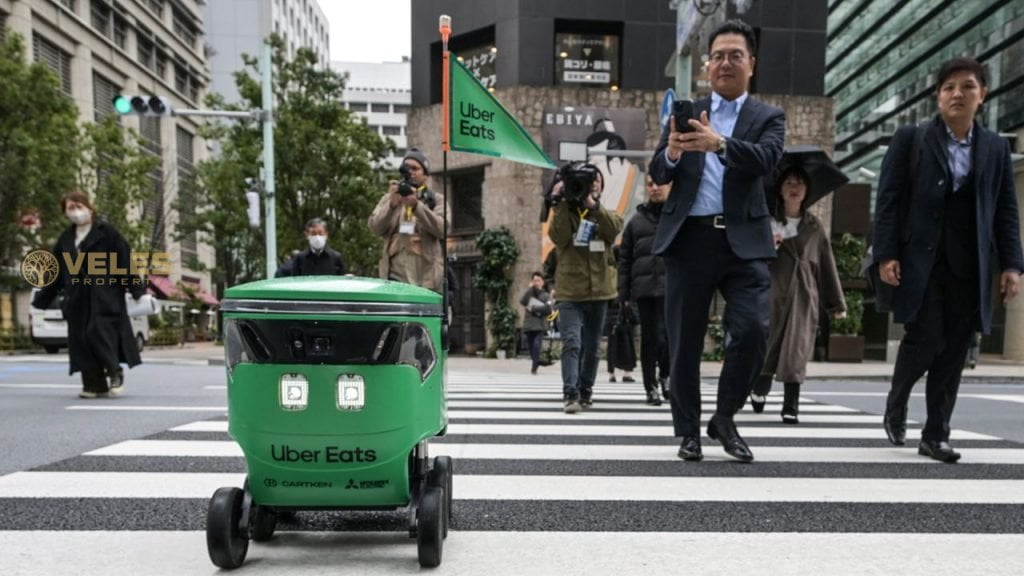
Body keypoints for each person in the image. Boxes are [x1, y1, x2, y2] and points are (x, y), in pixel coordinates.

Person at [874, 57, 1023, 463]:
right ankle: (898, 398)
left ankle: (936, 434)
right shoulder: (912, 139)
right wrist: (886, 253)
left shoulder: (994, 147)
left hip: (971, 266)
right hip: (922, 262)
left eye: (968, 86)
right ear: (939, 97)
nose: (958, 93)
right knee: (925, 340)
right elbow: (888, 200)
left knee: (955, 348)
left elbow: (1005, 210)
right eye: (949, 87)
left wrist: (1012, 265)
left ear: (982, 95)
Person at [649, 19, 785, 462]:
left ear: (752, 65)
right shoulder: (687, 110)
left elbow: (767, 161)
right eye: (719, 56)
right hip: (689, 238)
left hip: (744, 241)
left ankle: (725, 417)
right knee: (684, 341)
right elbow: (658, 171)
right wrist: (672, 149)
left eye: (735, 55)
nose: (726, 63)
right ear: (709, 65)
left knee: (752, 329)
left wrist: (719, 144)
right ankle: (688, 431)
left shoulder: (768, 117)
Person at [750, 167, 846, 423]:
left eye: (800, 183)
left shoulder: (814, 227)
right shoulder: (768, 221)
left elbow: (826, 264)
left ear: (806, 191)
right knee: (768, 347)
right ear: (780, 190)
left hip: (804, 296)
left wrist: (835, 302)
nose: (794, 187)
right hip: (773, 291)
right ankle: (759, 388)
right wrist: (767, 247)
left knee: (797, 350)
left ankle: (790, 405)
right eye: (789, 183)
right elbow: (750, 257)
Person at [31, 191, 145, 398]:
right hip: (77, 298)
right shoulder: (66, 238)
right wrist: (42, 299)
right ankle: (93, 384)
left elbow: (126, 262)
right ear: (65, 212)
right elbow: (55, 271)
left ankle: (114, 371)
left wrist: (138, 290)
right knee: (81, 339)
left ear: (89, 207)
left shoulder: (108, 234)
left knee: (97, 331)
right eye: (70, 208)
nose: (75, 212)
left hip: (105, 294)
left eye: (78, 206)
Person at [548, 163, 623, 414]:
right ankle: (570, 393)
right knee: (572, 342)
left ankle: (586, 390)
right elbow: (557, 237)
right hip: (570, 290)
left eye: (595, 182)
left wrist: (594, 206)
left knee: (592, 347)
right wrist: (560, 202)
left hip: (600, 291)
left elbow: (614, 229)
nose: (591, 186)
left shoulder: (604, 213)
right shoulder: (564, 211)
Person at [619, 175, 672, 405]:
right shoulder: (635, 222)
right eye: (650, 183)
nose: (655, 188)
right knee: (650, 339)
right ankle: (650, 386)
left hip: (673, 288)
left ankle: (667, 377)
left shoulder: (678, 217)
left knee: (670, 339)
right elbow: (625, 260)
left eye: (659, 183)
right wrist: (624, 295)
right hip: (646, 290)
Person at [368, 148, 446, 292]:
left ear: (425, 175)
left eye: (415, 168)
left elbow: (443, 230)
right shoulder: (390, 198)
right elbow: (375, 228)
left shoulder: (436, 200)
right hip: (394, 278)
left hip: (426, 279)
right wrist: (391, 205)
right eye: (407, 168)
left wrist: (416, 206)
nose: (411, 172)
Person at [274, 218, 346, 277]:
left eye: (320, 233)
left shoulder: (336, 257)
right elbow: (295, 282)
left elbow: (341, 283)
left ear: (326, 234)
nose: (317, 237)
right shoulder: (300, 258)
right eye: (313, 233)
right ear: (307, 235)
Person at [520, 271, 552, 375]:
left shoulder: (546, 295)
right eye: (534, 280)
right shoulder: (530, 292)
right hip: (529, 324)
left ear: (542, 282)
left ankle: (534, 367)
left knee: (537, 344)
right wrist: (529, 289)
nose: (536, 282)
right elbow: (522, 301)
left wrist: (534, 308)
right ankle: (537, 361)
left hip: (540, 324)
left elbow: (548, 309)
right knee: (530, 347)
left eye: (538, 280)